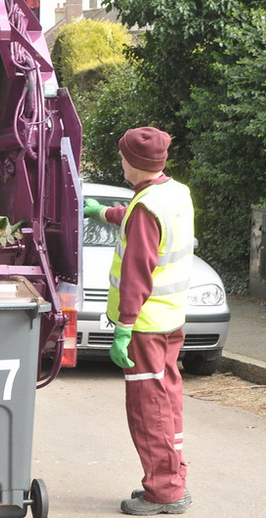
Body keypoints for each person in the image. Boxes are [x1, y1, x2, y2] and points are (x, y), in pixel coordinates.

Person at [84, 127, 194, 515]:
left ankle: (164, 492)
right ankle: (173, 477)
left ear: (133, 163)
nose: (121, 163)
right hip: (170, 321)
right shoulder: (172, 193)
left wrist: (124, 327)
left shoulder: (147, 208)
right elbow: (140, 220)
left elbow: (137, 271)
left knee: (149, 410)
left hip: (145, 326)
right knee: (168, 402)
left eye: (122, 158)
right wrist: (103, 212)